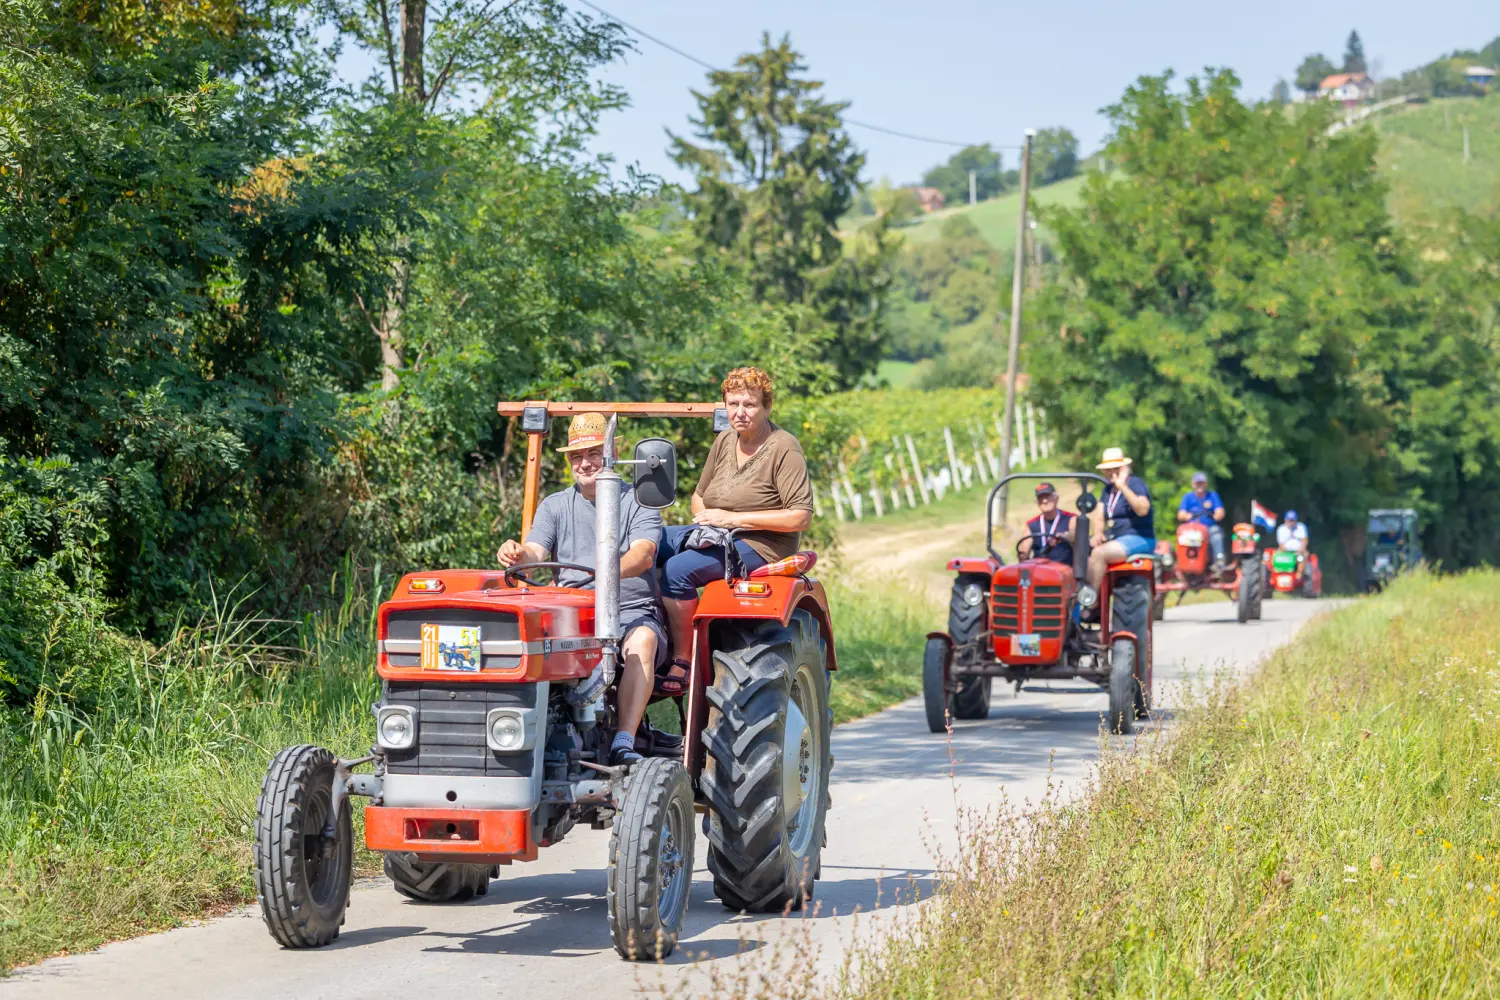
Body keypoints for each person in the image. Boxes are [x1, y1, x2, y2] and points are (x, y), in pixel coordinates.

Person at [496, 412, 668, 767]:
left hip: (629, 609)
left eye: (593, 453)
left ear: (612, 452)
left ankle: (624, 739)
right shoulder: (556, 505)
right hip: (575, 611)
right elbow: (535, 552)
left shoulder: (638, 500)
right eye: (577, 456)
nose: (585, 463)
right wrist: (516, 553)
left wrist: (604, 574)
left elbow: (643, 553)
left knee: (643, 642)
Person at [657, 367, 814, 682]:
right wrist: (706, 523)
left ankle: (684, 659)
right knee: (649, 544)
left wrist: (734, 520)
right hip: (716, 533)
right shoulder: (725, 441)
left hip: (761, 544)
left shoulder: (784, 447)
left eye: (749, 404)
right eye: (733, 404)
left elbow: (801, 516)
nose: (740, 412)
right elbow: (699, 497)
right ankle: (647, 636)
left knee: (678, 571)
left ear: (766, 406)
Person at [1086, 447, 1154, 592]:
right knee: (1077, 549)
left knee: (1099, 553)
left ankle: (1089, 601)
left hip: (1138, 538)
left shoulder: (1135, 484)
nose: (1111, 473)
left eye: (1115, 468)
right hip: (1114, 539)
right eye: (1108, 469)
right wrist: (1098, 533)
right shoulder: (1107, 490)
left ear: (1124, 468)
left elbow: (1143, 510)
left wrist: (1122, 486)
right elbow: (1099, 515)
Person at [1177, 471, 1226, 570]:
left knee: (1216, 533)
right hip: (1192, 528)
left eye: (1202, 483)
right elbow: (1180, 514)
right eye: (1197, 483)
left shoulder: (1212, 496)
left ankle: (1219, 560)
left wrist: (1216, 515)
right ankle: (1181, 562)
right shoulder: (1187, 497)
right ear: (1193, 484)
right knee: (1181, 534)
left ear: (1206, 484)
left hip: (1208, 527)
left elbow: (1220, 512)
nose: (1200, 485)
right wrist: (1187, 516)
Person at [1018, 482, 1075, 566]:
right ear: (1037, 502)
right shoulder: (1031, 524)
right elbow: (1024, 551)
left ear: (1056, 498)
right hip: (1039, 570)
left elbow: (1075, 534)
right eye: (1041, 498)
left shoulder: (1071, 518)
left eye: (1048, 496)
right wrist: (1022, 555)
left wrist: (1064, 536)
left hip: (1065, 568)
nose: (1044, 501)